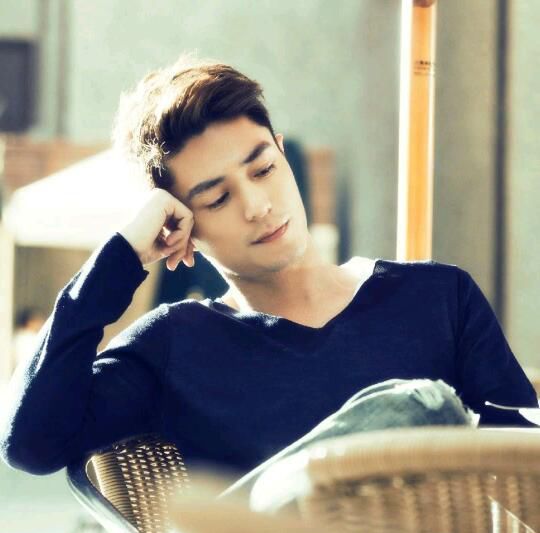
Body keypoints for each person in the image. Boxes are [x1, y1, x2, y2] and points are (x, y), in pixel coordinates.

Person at [0, 53, 537, 481]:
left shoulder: (438, 297)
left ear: (282, 153)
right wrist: (122, 256)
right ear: (181, 224)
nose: (257, 205)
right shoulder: (177, 345)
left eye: (262, 169)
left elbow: (524, 461)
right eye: (217, 199)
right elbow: (31, 443)